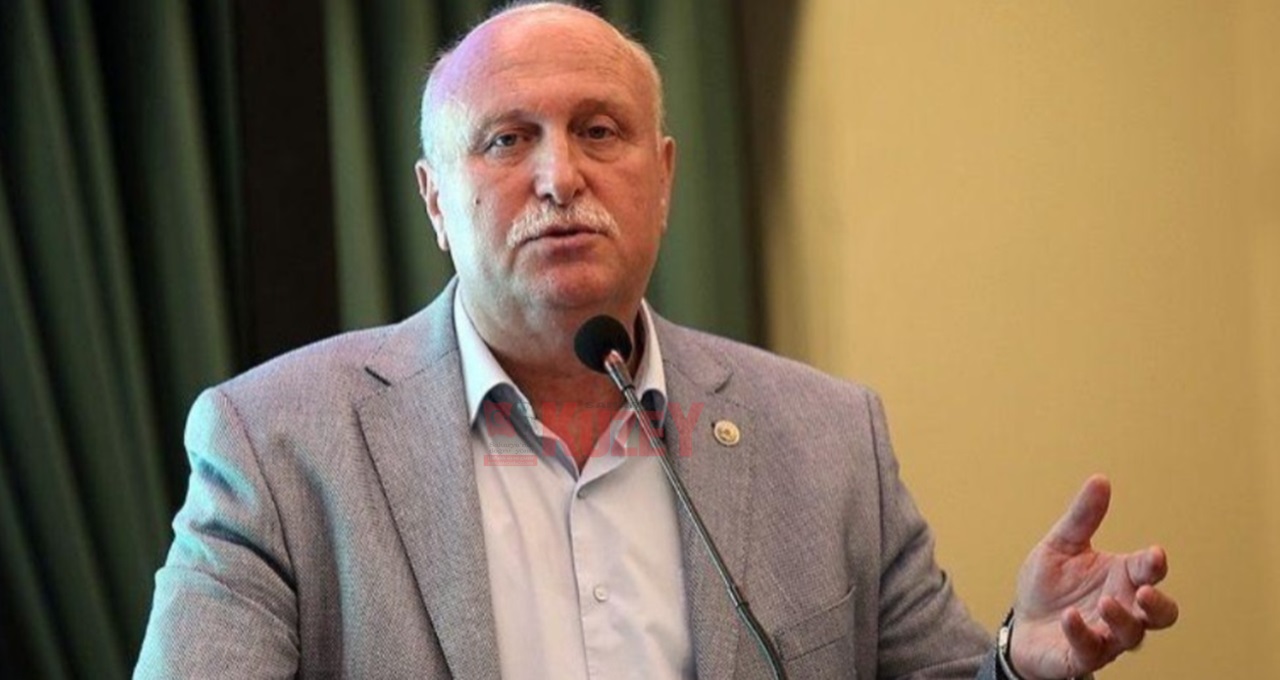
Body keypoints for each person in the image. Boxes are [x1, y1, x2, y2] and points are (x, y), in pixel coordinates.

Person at [135, 2, 1178, 678]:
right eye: (507, 139)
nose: (560, 177)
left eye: (599, 131)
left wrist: (1014, 660)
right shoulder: (278, 443)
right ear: (435, 201)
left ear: (665, 177)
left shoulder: (828, 438)